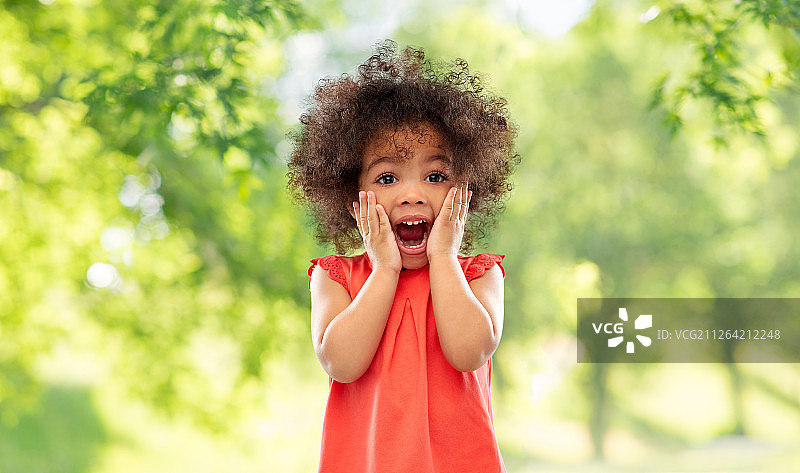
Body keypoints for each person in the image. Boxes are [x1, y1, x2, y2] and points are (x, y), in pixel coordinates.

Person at [287, 40, 518, 473]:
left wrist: (445, 256)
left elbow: (470, 351)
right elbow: (341, 363)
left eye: (434, 175)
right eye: (388, 177)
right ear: (350, 194)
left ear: (463, 191)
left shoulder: (478, 274)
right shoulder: (336, 278)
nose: (412, 194)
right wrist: (386, 268)